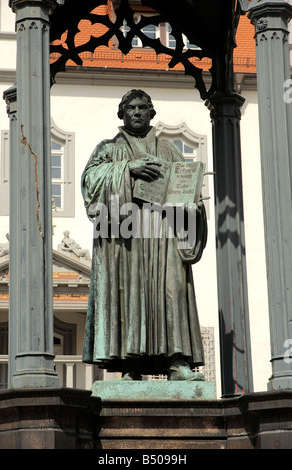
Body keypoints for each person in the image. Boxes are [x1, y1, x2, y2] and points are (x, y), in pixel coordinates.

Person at [81, 89, 207, 380]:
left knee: (172, 290)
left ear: (152, 113)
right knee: (128, 292)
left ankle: (177, 363)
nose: (137, 112)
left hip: (164, 233)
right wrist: (127, 169)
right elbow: (90, 183)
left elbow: (185, 186)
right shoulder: (108, 149)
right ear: (121, 113)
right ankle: (131, 365)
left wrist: (193, 205)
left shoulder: (169, 151)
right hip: (124, 235)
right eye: (131, 108)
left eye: (143, 107)